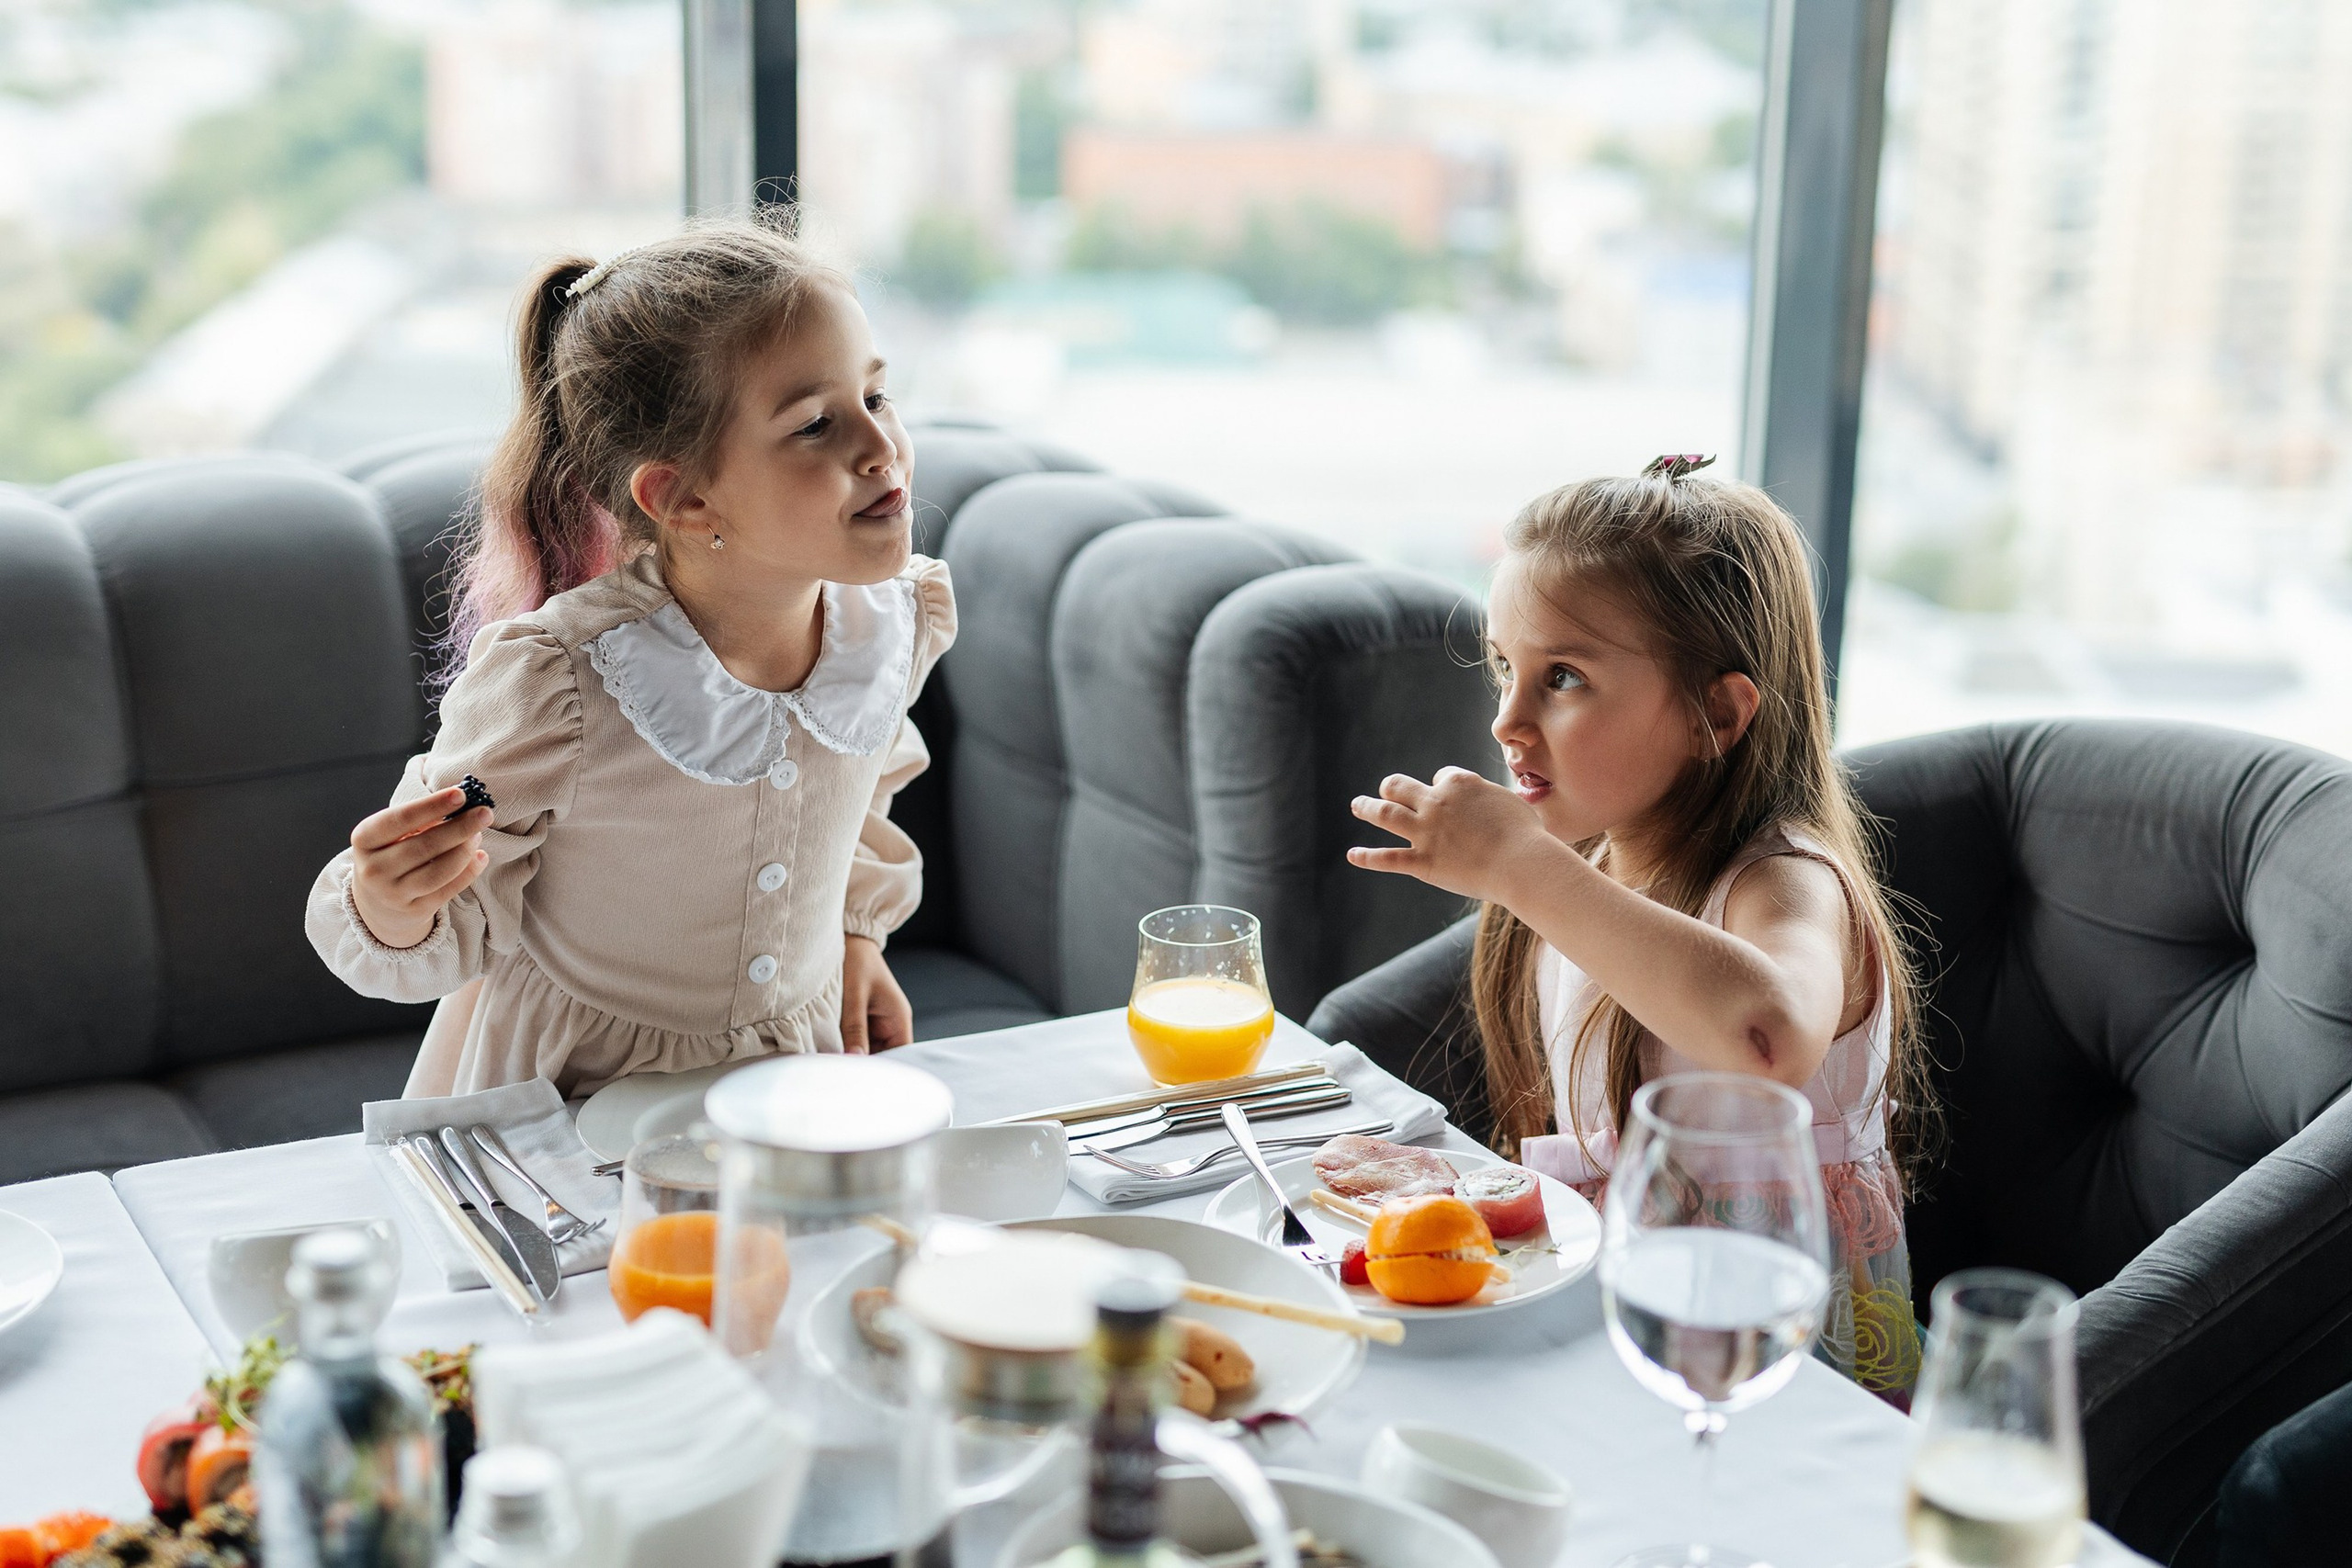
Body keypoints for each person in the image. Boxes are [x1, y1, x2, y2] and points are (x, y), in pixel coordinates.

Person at [306, 214, 953, 1100]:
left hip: (790, 1084)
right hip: (568, 1098)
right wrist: (389, 901)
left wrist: (855, 937)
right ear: (683, 498)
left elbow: (864, 779)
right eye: (814, 424)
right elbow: (457, 900)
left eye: (876, 398)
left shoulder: (892, 624)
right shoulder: (561, 681)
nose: (881, 449)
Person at [1345, 455, 1931, 1401]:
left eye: (1563, 677)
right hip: (1622, 1308)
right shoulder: (1593, 867)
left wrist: (1519, 868)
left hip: (1780, 1365)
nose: (1506, 721)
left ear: (1716, 713)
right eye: (1504, 667)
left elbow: (1765, 1038)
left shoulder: (1783, 882)